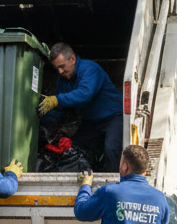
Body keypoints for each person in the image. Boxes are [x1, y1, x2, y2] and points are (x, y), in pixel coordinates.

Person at [38, 42, 123, 172]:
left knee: (111, 148)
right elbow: (60, 109)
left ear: (72, 59)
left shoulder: (90, 69)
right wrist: (41, 118)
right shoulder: (63, 80)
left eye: (62, 66)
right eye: (57, 69)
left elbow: (85, 93)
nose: (60, 72)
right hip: (92, 122)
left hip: (114, 118)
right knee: (74, 148)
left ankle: (114, 183)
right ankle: (88, 177)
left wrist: (57, 100)